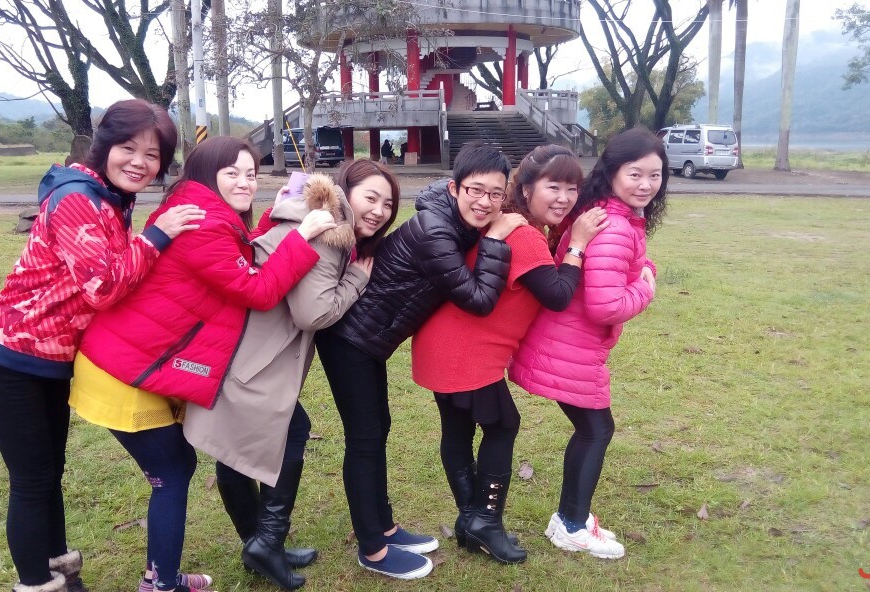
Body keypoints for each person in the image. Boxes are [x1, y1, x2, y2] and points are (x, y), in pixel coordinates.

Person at [69, 136, 337, 592]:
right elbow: (257, 290)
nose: (245, 182)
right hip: (126, 369)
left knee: (235, 441)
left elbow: (235, 258)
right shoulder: (202, 224)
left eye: (251, 174)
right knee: (173, 473)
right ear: (206, 175)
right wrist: (301, 235)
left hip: (144, 358)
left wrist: (271, 221)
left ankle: (259, 545)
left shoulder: (205, 213)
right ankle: (165, 581)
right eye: (232, 173)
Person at [0, 99, 205, 592]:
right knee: (31, 479)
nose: (139, 162)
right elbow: (104, 286)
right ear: (105, 146)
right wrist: (156, 237)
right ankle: (37, 583)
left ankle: (58, 567)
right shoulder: (79, 198)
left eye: (153, 154)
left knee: (49, 471)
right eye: (128, 148)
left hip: (53, 359)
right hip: (13, 355)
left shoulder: (111, 198)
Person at [313, 142, 527, 580]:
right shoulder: (436, 232)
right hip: (349, 341)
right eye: (476, 190)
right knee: (365, 439)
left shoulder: (449, 221)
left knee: (378, 430)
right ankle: (372, 549)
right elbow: (479, 299)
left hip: (368, 341)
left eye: (496, 194)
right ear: (455, 188)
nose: (485, 202)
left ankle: (385, 528)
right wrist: (496, 240)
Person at [184, 158, 398, 591]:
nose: (379, 211)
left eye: (388, 204)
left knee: (240, 444)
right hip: (251, 358)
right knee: (285, 432)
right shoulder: (329, 236)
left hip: (244, 349)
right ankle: (265, 542)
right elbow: (313, 313)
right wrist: (356, 281)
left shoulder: (310, 217)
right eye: (371, 198)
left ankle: (261, 544)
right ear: (345, 193)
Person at [411, 144, 608, 564]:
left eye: (572, 188)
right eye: (553, 186)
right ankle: (484, 520)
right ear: (527, 188)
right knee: (502, 425)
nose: (564, 198)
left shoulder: (507, 223)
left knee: (458, 429)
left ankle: (471, 520)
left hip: (442, 342)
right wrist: (577, 244)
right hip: (468, 350)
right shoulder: (524, 235)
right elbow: (557, 295)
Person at [508, 127, 668, 560]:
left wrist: (644, 267)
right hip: (569, 347)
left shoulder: (606, 214)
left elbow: (618, 265)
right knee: (596, 429)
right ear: (612, 172)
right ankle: (572, 525)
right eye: (635, 174)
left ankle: (570, 519)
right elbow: (605, 305)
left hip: (566, 343)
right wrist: (646, 288)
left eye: (655, 175)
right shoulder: (614, 225)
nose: (646, 184)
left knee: (594, 429)